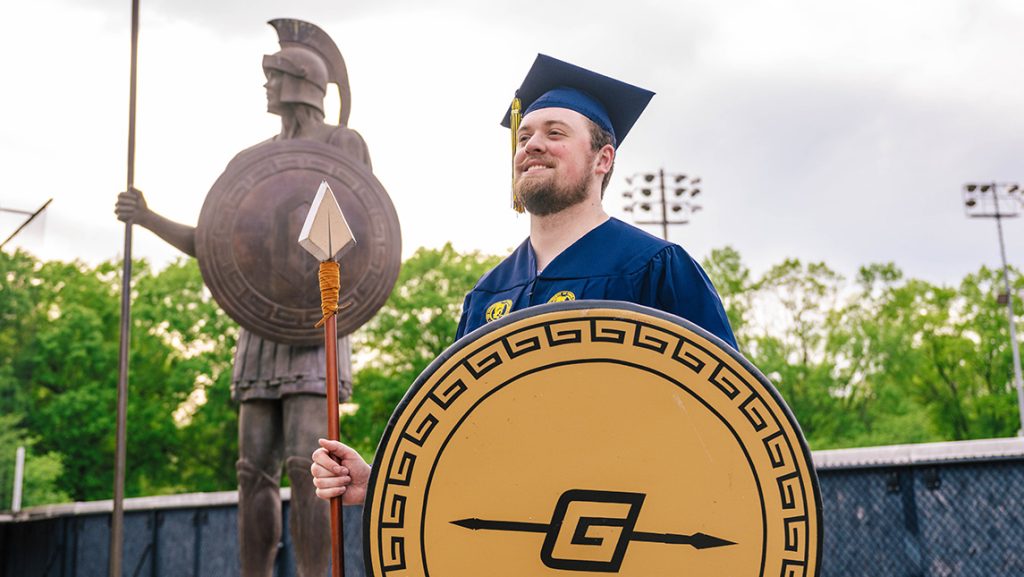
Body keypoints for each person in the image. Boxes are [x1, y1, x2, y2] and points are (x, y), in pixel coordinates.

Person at [310, 54, 737, 503]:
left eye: (555, 133)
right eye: (525, 135)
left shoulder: (655, 268)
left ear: (603, 159)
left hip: (635, 526)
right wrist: (378, 483)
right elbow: (464, 440)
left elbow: (724, 415)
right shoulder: (488, 294)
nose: (532, 144)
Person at [116, 43, 366, 577]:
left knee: (308, 467)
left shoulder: (343, 144)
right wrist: (149, 217)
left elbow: (366, 234)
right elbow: (217, 244)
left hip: (315, 322)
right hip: (260, 330)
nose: (267, 88)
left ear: (300, 82)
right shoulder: (250, 162)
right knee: (252, 471)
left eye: (273, 77)